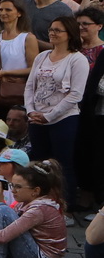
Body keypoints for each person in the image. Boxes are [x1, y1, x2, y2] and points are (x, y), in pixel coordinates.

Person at [24, 13, 86, 210]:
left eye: (58, 30)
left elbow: (76, 94)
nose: (52, 33)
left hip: (64, 119)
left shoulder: (77, 60)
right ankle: (38, 204)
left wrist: (49, 116)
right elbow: (30, 86)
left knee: (61, 164)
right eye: (51, 29)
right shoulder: (42, 57)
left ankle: (65, 206)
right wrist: (30, 111)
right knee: (38, 162)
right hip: (37, 117)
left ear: (69, 34)